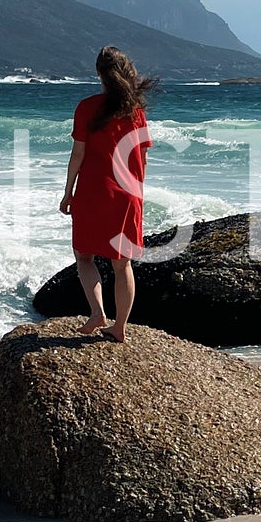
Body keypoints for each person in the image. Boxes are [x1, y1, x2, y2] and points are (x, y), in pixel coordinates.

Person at [59, 46, 157, 341]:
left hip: (93, 191)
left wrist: (68, 192)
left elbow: (78, 153)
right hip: (128, 194)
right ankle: (120, 327)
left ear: (99, 74)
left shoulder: (87, 107)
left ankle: (98, 312)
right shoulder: (136, 112)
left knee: (84, 257)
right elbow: (143, 157)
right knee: (122, 263)